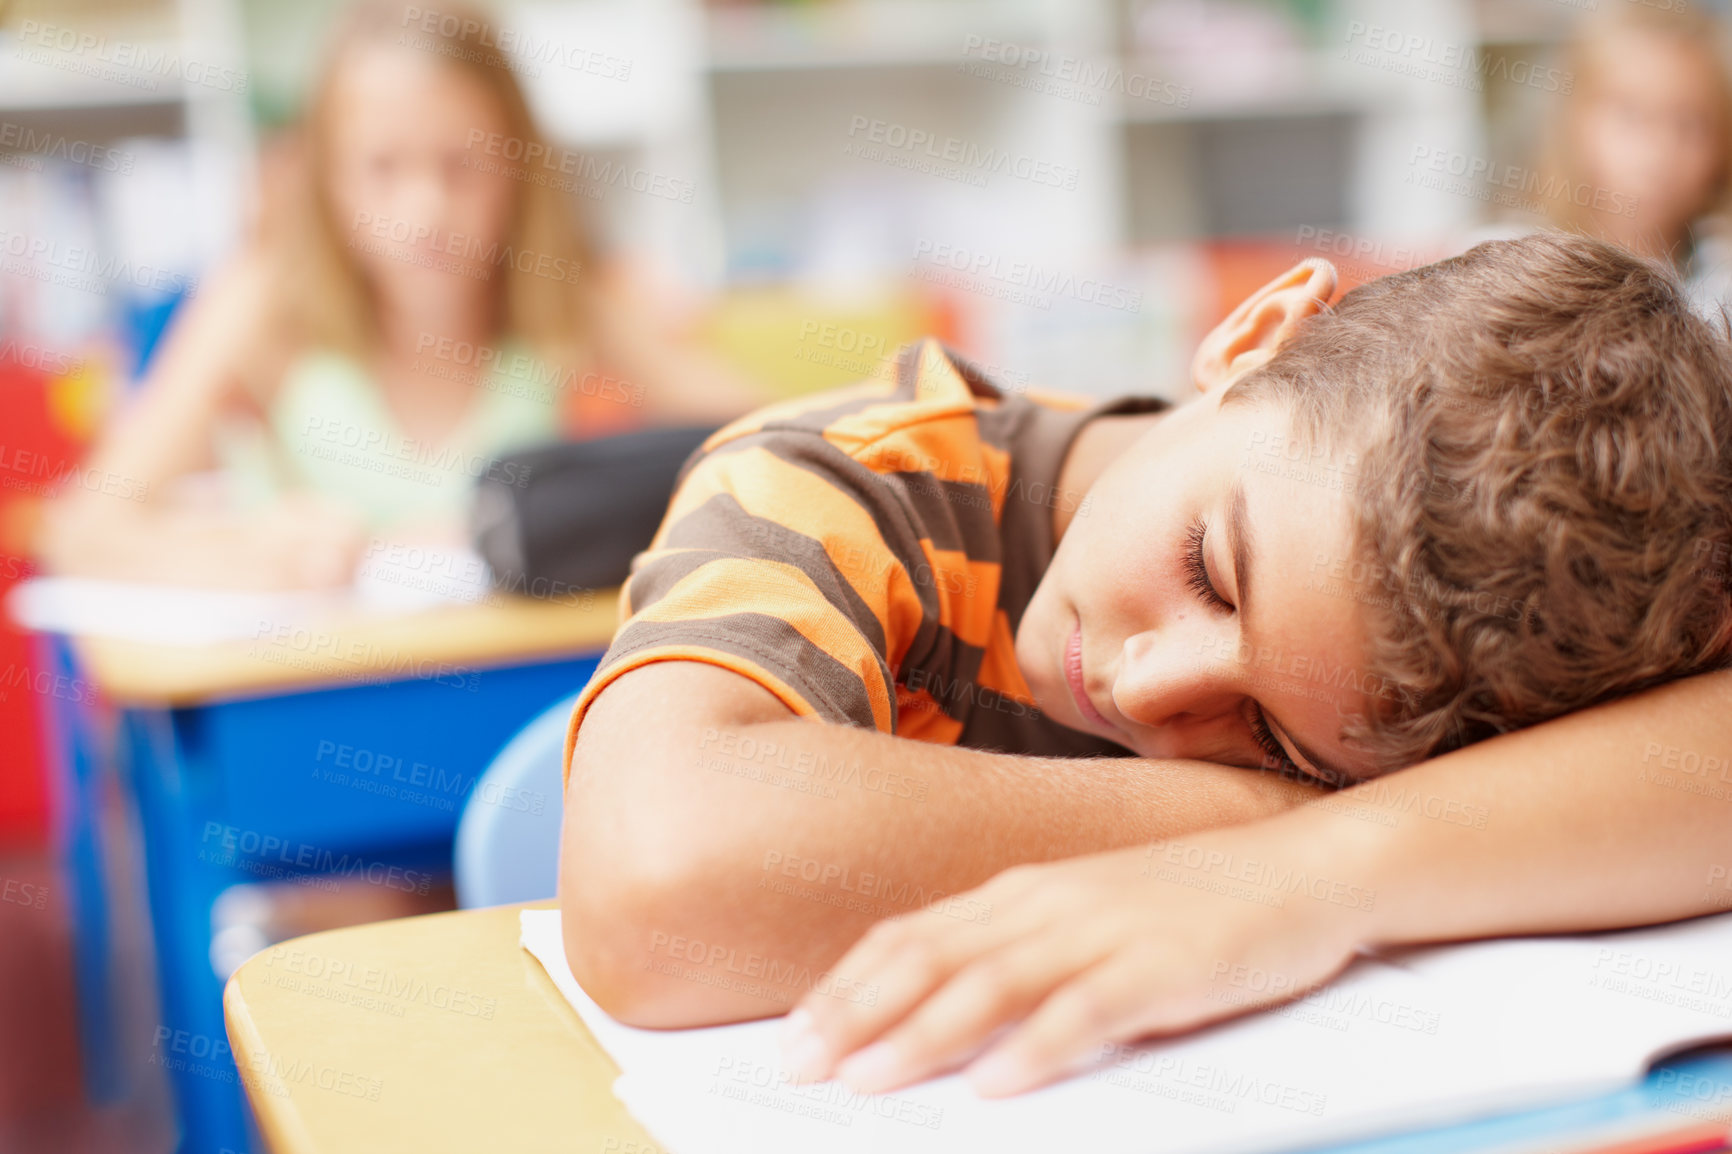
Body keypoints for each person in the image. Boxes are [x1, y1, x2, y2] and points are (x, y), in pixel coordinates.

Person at [557, 234, 1732, 1097]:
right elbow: (658, 883)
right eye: (1209, 568)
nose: (1148, 685)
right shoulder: (851, 479)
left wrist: (1321, 870)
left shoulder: (1476, 663)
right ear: (1256, 336)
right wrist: (1250, 812)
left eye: (1277, 736)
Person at [38, 0, 758, 589]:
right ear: (327, 181)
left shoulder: (567, 295)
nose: (427, 213)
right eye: (383, 168)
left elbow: (764, 438)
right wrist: (240, 552)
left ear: (519, 169)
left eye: (462, 165)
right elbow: (83, 529)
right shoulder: (264, 301)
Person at [1530, 5, 1732, 315]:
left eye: (1689, 123)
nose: (1658, 151)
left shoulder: (1723, 288)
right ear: (1574, 118)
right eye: (1630, 114)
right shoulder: (1517, 272)